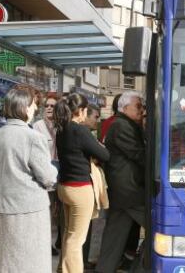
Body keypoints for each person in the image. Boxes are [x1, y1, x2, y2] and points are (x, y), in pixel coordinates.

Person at [0, 87, 58, 273]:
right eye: (34, 105)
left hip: (2, 206)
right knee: (30, 261)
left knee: (6, 261)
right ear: (25, 108)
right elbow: (48, 177)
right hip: (29, 209)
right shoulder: (33, 137)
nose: (35, 109)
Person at [54, 93, 110, 273]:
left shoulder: (61, 128)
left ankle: (63, 269)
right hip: (80, 189)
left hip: (64, 187)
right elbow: (105, 155)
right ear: (81, 111)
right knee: (76, 240)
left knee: (68, 234)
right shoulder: (80, 130)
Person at [96, 91, 146, 273]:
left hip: (123, 190)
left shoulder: (125, 124)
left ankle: (104, 269)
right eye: (138, 106)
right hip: (129, 191)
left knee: (114, 237)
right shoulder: (121, 126)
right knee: (161, 225)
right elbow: (139, 154)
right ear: (125, 108)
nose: (142, 110)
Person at [33, 94, 60, 256]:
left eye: (53, 106)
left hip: (61, 170)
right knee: (47, 209)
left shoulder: (61, 125)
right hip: (46, 171)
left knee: (59, 210)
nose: (49, 108)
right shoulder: (38, 126)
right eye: (47, 106)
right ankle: (46, 243)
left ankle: (58, 240)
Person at [81, 103, 101, 269]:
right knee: (82, 229)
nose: (97, 121)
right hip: (81, 186)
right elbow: (103, 154)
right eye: (95, 117)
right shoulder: (84, 133)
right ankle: (81, 263)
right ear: (84, 115)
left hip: (75, 184)